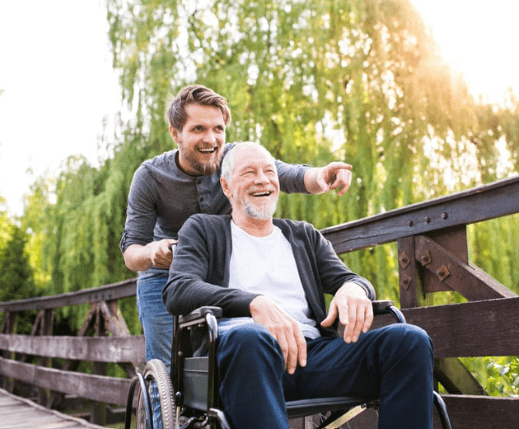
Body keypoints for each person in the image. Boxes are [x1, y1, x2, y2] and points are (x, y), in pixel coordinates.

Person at [163, 142, 434, 429]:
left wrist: (355, 288)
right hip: (242, 358)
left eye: (269, 171)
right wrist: (254, 303)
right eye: (249, 173)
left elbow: (348, 278)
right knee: (251, 337)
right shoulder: (203, 230)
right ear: (227, 187)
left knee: (409, 341)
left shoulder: (303, 235)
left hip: (313, 356)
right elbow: (178, 289)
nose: (262, 179)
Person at [120, 85, 353, 370]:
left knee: (228, 355)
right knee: (168, 369)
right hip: (164, 276)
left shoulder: (235, 160)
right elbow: (131, 254)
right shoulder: (150, 176)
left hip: (218, 271)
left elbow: (286, 174)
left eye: (218, 129)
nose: (211, 139)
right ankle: (166, 411)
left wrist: (323, 176)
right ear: (175, 133)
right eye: (198, 129)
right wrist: (152, 252)